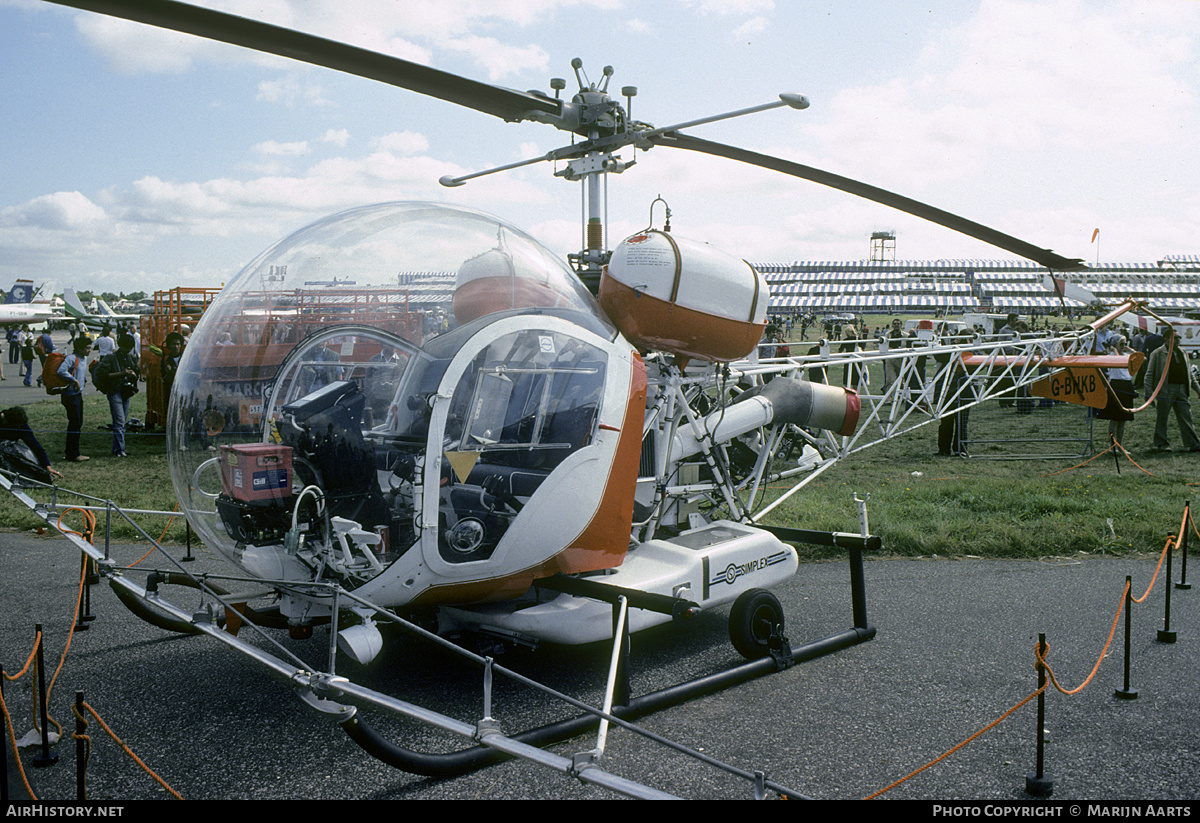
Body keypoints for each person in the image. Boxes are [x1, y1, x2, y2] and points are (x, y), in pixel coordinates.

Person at [1143, 325, 1200, 452]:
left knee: (1186, 416)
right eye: (1175, 338)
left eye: (1179, 338)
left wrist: (1198, 390)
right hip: (1166, 389)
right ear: (1166, 339)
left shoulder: (1183, 352)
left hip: (1182, 389)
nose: (1178, 340)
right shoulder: (1157, 353)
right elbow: (1149, 374)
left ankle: (1193, 443)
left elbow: (1190, 374)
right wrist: (1149, 393)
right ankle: (1161, 443)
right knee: (1162, 418)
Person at [95, 333, 139, 457]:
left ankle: (118, 449)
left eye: (130, 348)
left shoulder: (131, 358)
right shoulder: (110, 358)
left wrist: (134, 375)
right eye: (126, 347)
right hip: (115, 391)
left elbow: (137, 373)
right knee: (120, 421)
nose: (128, 350)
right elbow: (103, 375)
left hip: (126, 391)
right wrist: (121, 373)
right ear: (121, 345)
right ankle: (120, 450)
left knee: (122, 421)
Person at [57, 336, 93, 462]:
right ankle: (73, 453)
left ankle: (72, 451)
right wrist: (74, 380)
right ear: (79, 348)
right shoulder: (72, 358)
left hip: (77, 394)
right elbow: (61, 371)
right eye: (87, 348)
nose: (89, 350)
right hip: (70, 395)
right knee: (75, 423)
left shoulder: (83, 358)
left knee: (77, 423)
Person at [0, 406, 62, 480]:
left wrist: (47, 466)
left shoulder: (22, 426)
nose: (19, 427)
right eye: (17, 426)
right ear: (7, 422)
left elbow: (35, 446)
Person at [1097, 335, 1135, 446]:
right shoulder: (1110, 356)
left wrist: (1130, 349)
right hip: (1116, 386)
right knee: (1114, 418)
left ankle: (1120, 445)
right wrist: (1113, 350)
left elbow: (1142, 358)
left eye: (1125, 344)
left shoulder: (1127, 355)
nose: (1123, 346)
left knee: (1123, 419)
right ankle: (1112, 445)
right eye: (1121, 344)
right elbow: (1117, 362)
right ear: (1115, 345)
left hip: (1126, 385)